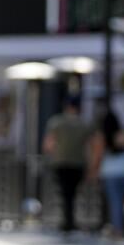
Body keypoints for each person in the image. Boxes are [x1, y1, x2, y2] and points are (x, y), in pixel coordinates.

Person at [43, 94, 94, 234]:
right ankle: (70, 220)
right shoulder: (83, 124)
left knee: (65, 193)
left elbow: (48, 143)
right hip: (78, 163)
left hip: (61, 162)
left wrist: (54, 153)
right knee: (72, 193)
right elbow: (91, 145)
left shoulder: (56, 122)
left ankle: (67, 221)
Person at [93, 108, 124, 237]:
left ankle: (118, 229)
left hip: (110, 172)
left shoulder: (103, 137)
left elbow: (98, 155)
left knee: (115, 202)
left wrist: (93, 170)